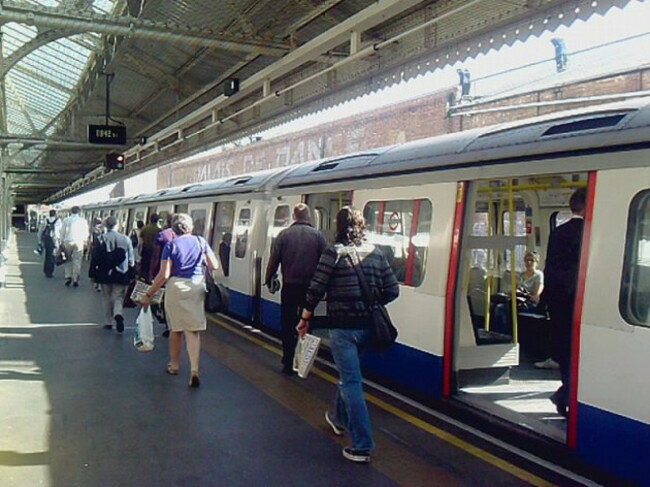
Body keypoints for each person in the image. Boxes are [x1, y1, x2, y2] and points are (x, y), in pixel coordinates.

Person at [297, 207, 399, 463]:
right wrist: (373, 303)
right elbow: (392, 289)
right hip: (367, 328)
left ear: (338, 226)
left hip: (343, 328)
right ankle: (338, 419)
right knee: (349, 376)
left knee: (352, 381)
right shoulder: (376, 252)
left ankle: (362, 445)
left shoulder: (333, 253)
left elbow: (316, 288)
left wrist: (305, 318)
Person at [141, 213, 219, 388]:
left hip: (176, 287)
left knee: (176, 329)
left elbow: (164, 275)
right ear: (190, 227)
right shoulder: (201, 242)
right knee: (193, 330)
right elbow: (214, 265)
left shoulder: (171, 245)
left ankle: (174, 365)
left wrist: (149, 294)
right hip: (197, 286)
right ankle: (194, 370)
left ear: (174, 229)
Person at [538, 188, 586, 417]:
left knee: (567, 354)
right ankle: (566, 396)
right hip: (582, 303)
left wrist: (545, 300)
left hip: (559, 303)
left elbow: (550, 268)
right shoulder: (592, 233)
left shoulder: (558, 232)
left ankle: (566, 393)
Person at [264, 203, 326, 375]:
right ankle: (303, 362)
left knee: (288, 323)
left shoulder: (283, 235)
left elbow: (274, 260)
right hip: (311, 289)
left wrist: (268, 279)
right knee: (307, 324)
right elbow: (324, 264)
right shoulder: (318, 236)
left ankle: (288, 360)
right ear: (309, 217)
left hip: (290, 287)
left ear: (294, 216)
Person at [90, 216, 135, 333]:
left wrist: (92, 274)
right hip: (122, 273)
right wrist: (132, 274)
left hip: (104, 273)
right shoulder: (126, 239)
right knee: (118, 297)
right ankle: (118, 314)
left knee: (106, 297)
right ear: (117, 225)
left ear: (105, 225)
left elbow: (95, 258)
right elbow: (131, 260)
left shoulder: (101, 239)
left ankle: (108, 322)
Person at [492, 250, 544, 334]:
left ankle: (506, 334)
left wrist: (526, 295)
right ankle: (498, 334)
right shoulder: (522, 275)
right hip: (516, 301)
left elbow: (536, 295)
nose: (529, 263)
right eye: (527, 260)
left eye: (532, 260)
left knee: (504, 310)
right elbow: (515, 288)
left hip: (529, 304)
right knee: (497, 307)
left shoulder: (538, 275)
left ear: (537, 262)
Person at [149, 213, 177, 337]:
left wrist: (152, 274)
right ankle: (172, 325)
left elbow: (155, 257)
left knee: (161, 299)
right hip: (180, 276)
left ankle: (167, 323)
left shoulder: (162, 235)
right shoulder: (191, 238)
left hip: (163, 271)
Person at [60, 206, 90, 287]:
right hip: (79, 242)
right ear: (79, 212)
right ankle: (75, 278)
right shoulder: (83, 221)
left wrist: (61, 242)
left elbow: (62, 232)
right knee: (77, 260)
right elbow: (86, 233)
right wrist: (85, 241)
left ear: (71, 211)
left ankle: (68, 276)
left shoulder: (66, 220)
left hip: (68, 241)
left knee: (68, 260)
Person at [38, 209, 62, 278]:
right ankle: (50, 271)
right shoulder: (58, 221)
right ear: (55, 214)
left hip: (47, 240)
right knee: (52, 256)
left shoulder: (46, 220)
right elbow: (61, 232)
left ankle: (46, 270)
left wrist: (39, 240)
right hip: (55, 241)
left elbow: (41, 230)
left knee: (47, 255)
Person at [138, 213, 160, 281]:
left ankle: (141, 276)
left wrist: (139, 250)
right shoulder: (159, 230)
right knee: (151, 264)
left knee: (144, 263)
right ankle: (149, 278)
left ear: (150, 219)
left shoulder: (145, 228)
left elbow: (141, 241)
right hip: (154, 250)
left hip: (145, 248)